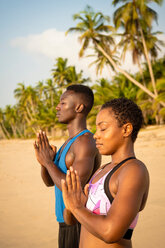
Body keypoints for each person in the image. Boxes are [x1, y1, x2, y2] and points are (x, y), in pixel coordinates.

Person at [61, 97, 150, 248]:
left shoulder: (134, 171)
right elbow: (72, 220)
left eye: (103, 128)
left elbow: (110, 232)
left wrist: (76, 207)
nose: (96, 135)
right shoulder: (102, 170)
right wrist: (71, 204)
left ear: (126, 130)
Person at [34, 84, 101, 248]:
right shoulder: (68, 144)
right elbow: (50, 182)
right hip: (63, 221)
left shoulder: (85, 142)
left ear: (79, 107)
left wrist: (49, 163)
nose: (57, 107)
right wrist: (44, 163)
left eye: (63, 103)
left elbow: (71, 187)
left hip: (78, 221)